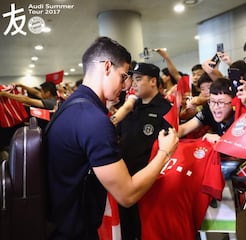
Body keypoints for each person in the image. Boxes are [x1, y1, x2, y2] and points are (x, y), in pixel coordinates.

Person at [45, 37, 178, 240]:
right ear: (107, 66)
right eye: (123, 76)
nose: (126, 86)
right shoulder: (93, 120)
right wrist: (165, 152)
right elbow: (127, 194)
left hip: (61, 221)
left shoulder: (71, 106)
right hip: (74, 232)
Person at [115, 62, 174, 240]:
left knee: (147, 230)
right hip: (124, 178)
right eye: (132, 79)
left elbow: (170, 147)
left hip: (149, 182)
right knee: (126, 228)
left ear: (153, 81)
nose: (133, 83)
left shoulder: (166, 110)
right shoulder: (130, 107)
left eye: (139, 79)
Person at [178, 77, 241, 179]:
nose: (215, 107)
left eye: (221, 102)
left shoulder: (241, 114)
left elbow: (244, 151)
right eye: (212, 101)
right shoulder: (208, 111)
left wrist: (220, 141)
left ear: (233, 102)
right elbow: (184, 129)